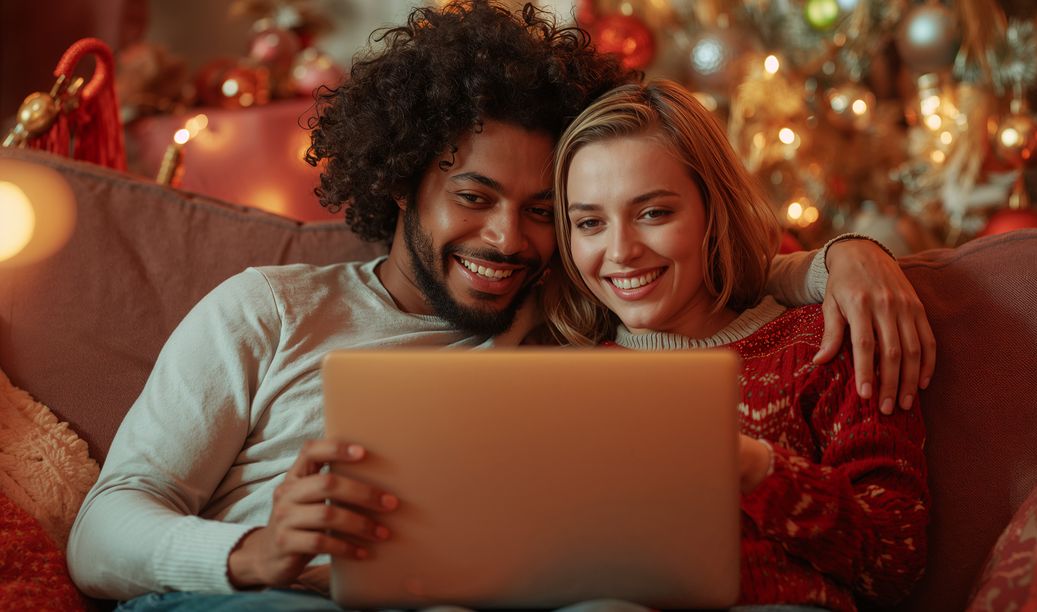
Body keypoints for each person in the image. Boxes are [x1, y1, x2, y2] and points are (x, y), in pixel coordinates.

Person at [68, 2, 933, 609]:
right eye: (474, 197)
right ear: (401, 179)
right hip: (241, 599)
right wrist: (250, 555)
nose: (508, 241)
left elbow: (688, 281)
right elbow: (100, 531)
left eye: (542, 213)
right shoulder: (267, 309)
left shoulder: (561, 321)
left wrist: (835, 263)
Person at [545, 79, 929, 611]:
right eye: (589, 223)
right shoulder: (557, 382)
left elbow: (894, 560)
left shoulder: (822, 341)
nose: (621, 251)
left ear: (713, 211)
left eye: (654, 213)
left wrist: (754, 468)